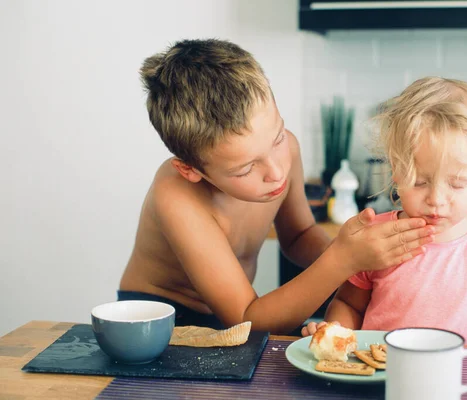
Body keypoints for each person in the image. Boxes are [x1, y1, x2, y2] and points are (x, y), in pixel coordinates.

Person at [118, 39, 435, 335]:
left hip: (241, 313)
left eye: (278, 137)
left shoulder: (286, 153)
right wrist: (342, 259)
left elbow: (298, 237)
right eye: (245, 168)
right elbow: (246, 320)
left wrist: (357, 261)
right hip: (162, 322)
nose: (276, 171)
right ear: (191, 170)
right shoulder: (176, 197)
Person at [302, 77, 467, 371]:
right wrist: (337, 330)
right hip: (383, 379)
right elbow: (350, 305)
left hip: (463, 383)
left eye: (457, 183)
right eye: (420, 181)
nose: (437, 200)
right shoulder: (378, 238)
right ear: (396, 172)